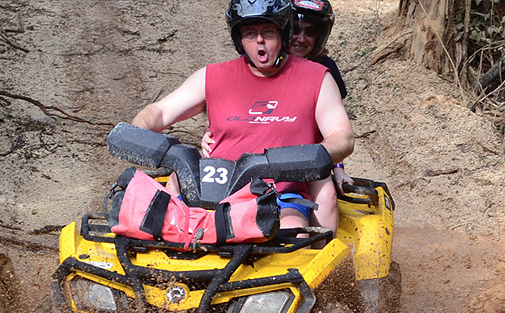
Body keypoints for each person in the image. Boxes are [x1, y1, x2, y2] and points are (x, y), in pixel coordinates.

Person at [132, 0, 354, 232]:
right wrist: (138, 132)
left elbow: (343, 136)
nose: (259, 41)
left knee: (294, 236)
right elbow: (158, 112)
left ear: (282, 33)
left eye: (268, 32)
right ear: (240, 39)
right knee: (152, 219)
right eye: (250, 33)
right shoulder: (212, 76)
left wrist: (309, 155)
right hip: (212, 193)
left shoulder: (318, 78)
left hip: (281, 196)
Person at [200, 0, 353, 235]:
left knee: (326, 193)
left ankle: (324, 251)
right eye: (296, 29)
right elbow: (239, 111)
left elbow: (334, 131)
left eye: (311, 32)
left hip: (305, 159)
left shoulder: (322, 72)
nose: (301, 39)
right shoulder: (256, 63)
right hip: (247, 165)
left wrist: (337, 167)